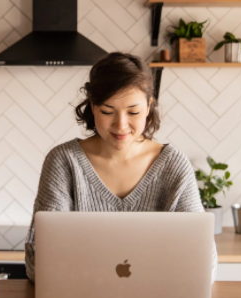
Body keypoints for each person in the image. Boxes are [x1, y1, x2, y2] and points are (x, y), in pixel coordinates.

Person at [24, 52, 217, 283]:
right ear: (92, 107)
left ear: (148, 107)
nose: (121, 125)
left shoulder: (173, 165)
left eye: (133, 112)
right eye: (107, 111)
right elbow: (39, 263)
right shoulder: (64, 162)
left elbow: (204, 263)